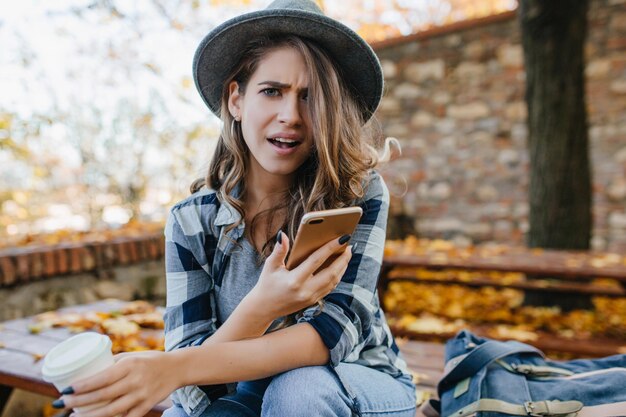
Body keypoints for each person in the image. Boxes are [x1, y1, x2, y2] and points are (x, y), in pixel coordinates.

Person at [53, 1, 416, 416]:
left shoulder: (356, 192)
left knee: (297, 392)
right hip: (243, 393)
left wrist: (176, 368)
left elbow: (331, 336)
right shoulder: (191, 221)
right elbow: (193, 390)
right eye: (272, 91)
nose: (291, 116)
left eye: (310, 98)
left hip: (357, 382)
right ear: (236, 100)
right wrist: (260, 306)